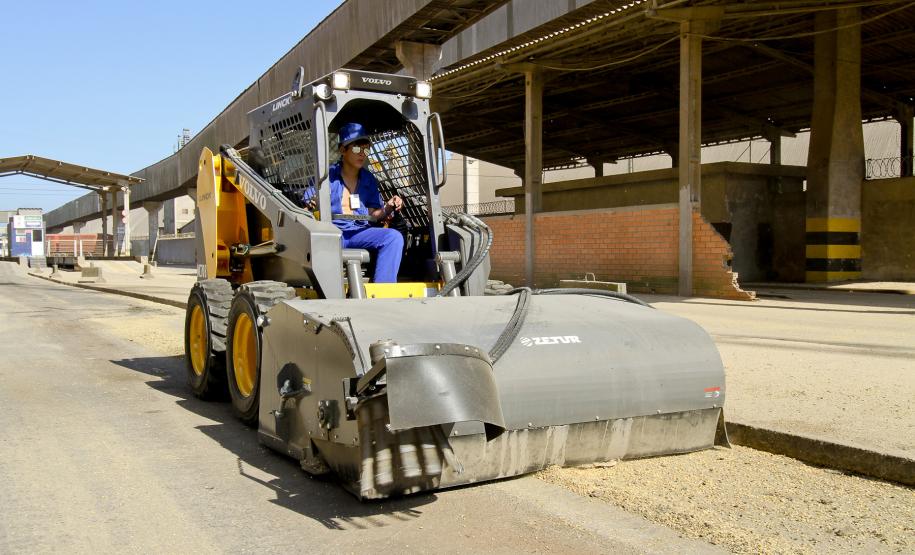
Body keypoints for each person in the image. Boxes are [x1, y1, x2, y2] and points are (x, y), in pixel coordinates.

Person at [303, 122, 404, 283]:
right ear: (343, 150)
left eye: (365, 149)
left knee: (393, 237)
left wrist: (388, 206)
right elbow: (306, 208)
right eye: (357, 148)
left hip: (359, 233)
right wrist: (312, 204)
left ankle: (383, 293)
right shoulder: (326, 176)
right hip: (332, 233)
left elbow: (374, 214)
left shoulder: (369, 179)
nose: (362, 154)